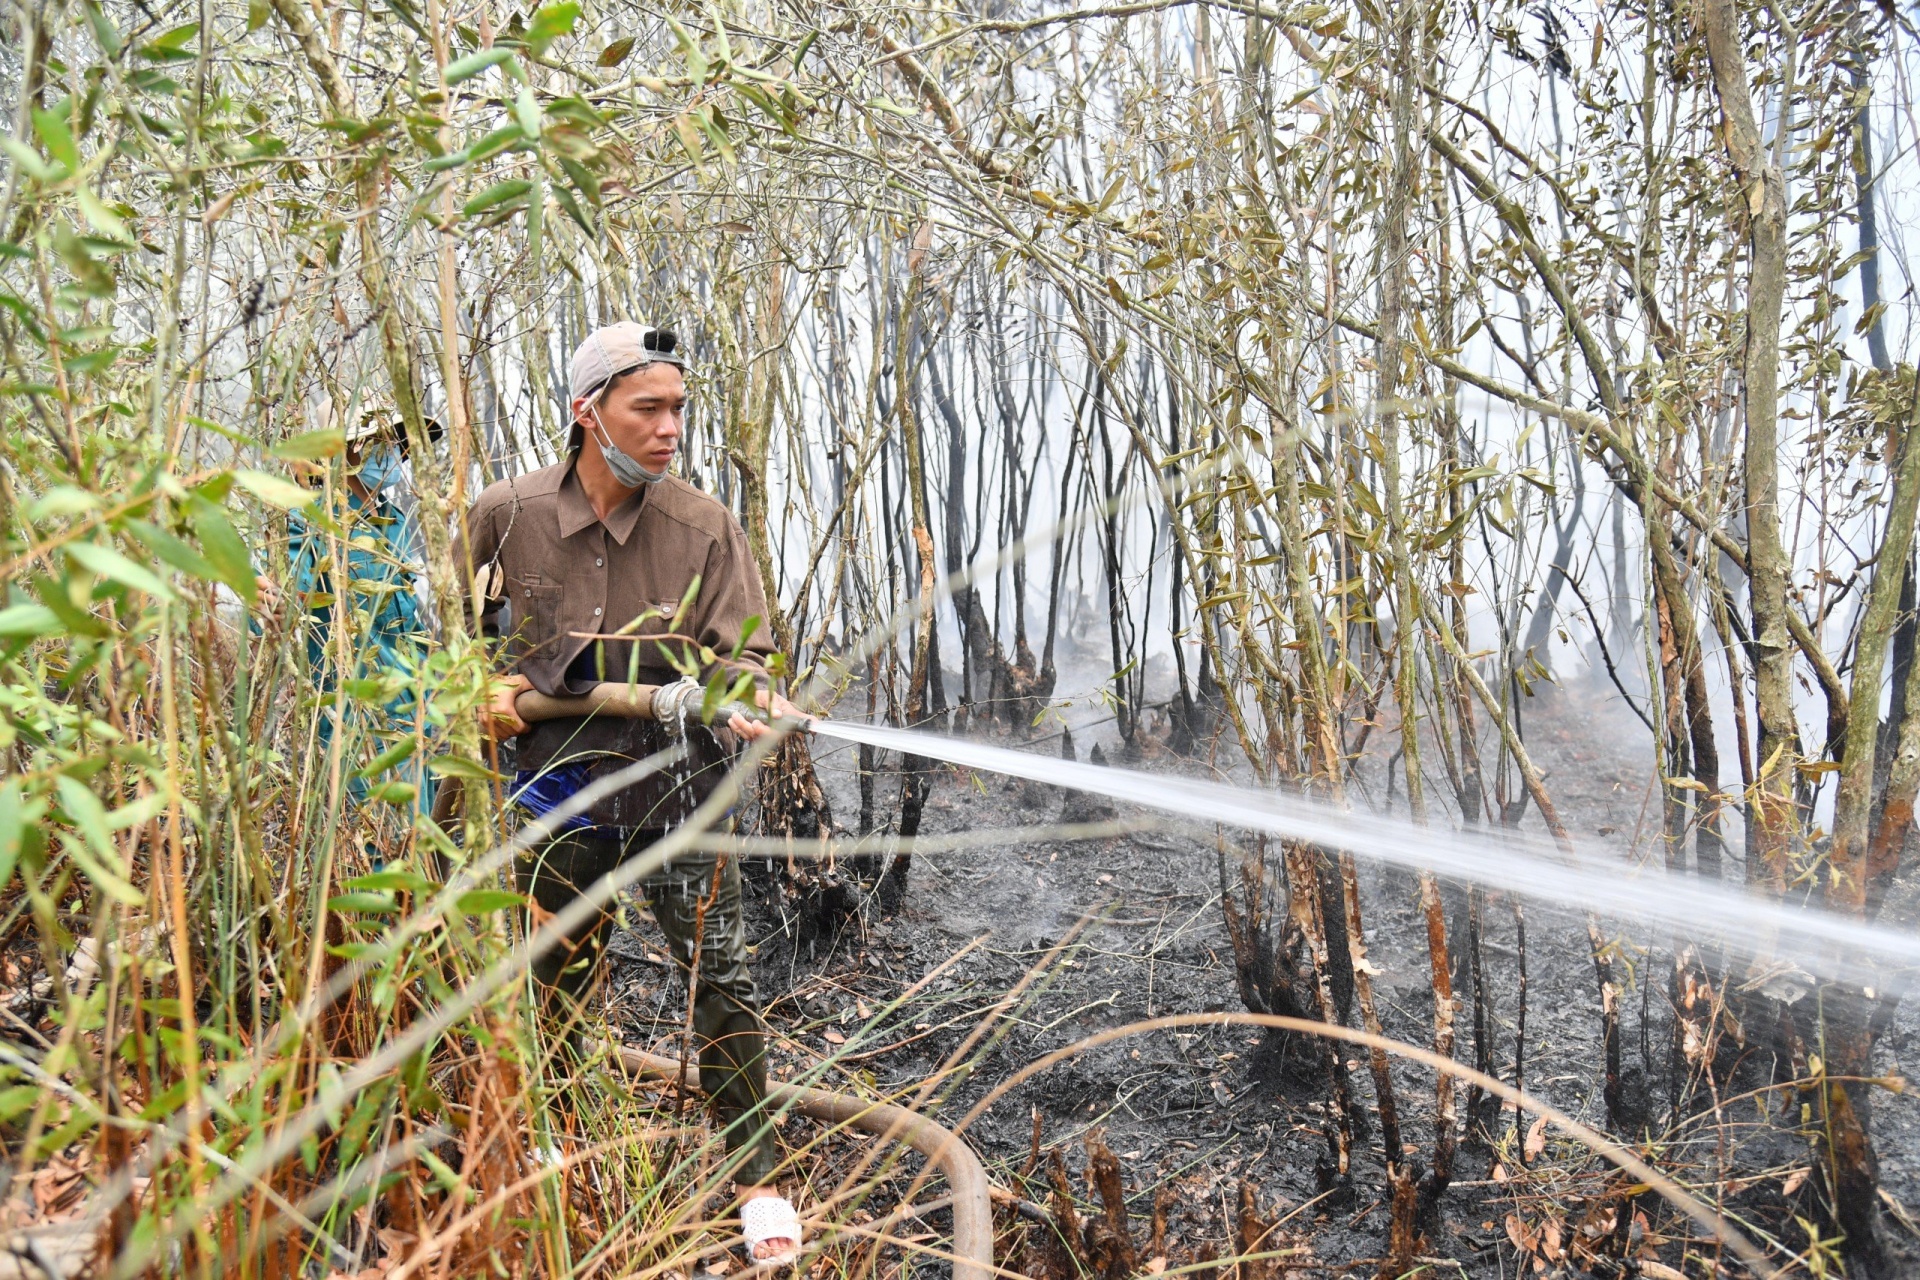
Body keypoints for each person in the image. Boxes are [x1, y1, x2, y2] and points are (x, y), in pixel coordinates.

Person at [461, 322, 805, 1264]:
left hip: (680, 797)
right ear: (587, 413)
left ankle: (758, 1181)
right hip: (553, 797)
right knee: (557, 981)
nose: (669, 429)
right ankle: (560, 1152)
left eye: (678, 410)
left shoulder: (704, 526)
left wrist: (747, 697)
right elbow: (456, 648)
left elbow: (751, 657)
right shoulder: (506, 514)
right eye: (646, 409)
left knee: (723, 985)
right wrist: (479, 694)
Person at [287, 399, 437, 825]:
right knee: (380, 841)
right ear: (339, 451)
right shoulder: (310, 519)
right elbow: (287, 609)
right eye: (375, 442)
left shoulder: (391, 517)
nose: (389, 453)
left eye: (394, 441)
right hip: (361, 722)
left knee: (420, 846)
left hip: (413, 716)